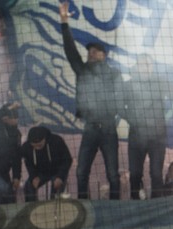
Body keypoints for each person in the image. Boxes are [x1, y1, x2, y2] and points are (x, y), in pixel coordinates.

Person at [59, 1, 122, 200]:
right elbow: (70, 50)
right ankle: (84, 209)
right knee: (80, 172)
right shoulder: (82, 70)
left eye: (95, 51)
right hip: (90, 129)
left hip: (109, 129)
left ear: (104, 56)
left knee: (113, 174)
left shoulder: (113, 74)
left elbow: (120, 97)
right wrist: (64, 22)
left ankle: (116, 208)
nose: (90, 53)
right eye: (89, 51)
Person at [123, 55, 170, 200]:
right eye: (142, 64)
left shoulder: (160, 83)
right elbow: (119, 105)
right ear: (137, 67)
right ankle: (135, 205)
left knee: (156, 174)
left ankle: (157, 207)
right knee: (135, 174)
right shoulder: (129, 85)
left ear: (152, 67)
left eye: (148, 64)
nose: (145, 67)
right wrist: (132, 119)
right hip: (137, 136)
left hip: (157, 137)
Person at [20, 126, 73, 201]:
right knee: (29, 186)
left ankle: (54, 207)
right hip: (40, 172)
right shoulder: (26, 147)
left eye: (39, 145)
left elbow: (67, 160)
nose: (37, 148)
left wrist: (60, 176)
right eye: (34, 146)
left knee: (57, 189)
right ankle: (31, 207)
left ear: (45, 139)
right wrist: (33, 176)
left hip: (57, 170)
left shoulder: (57, 141)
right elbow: (29, 164)